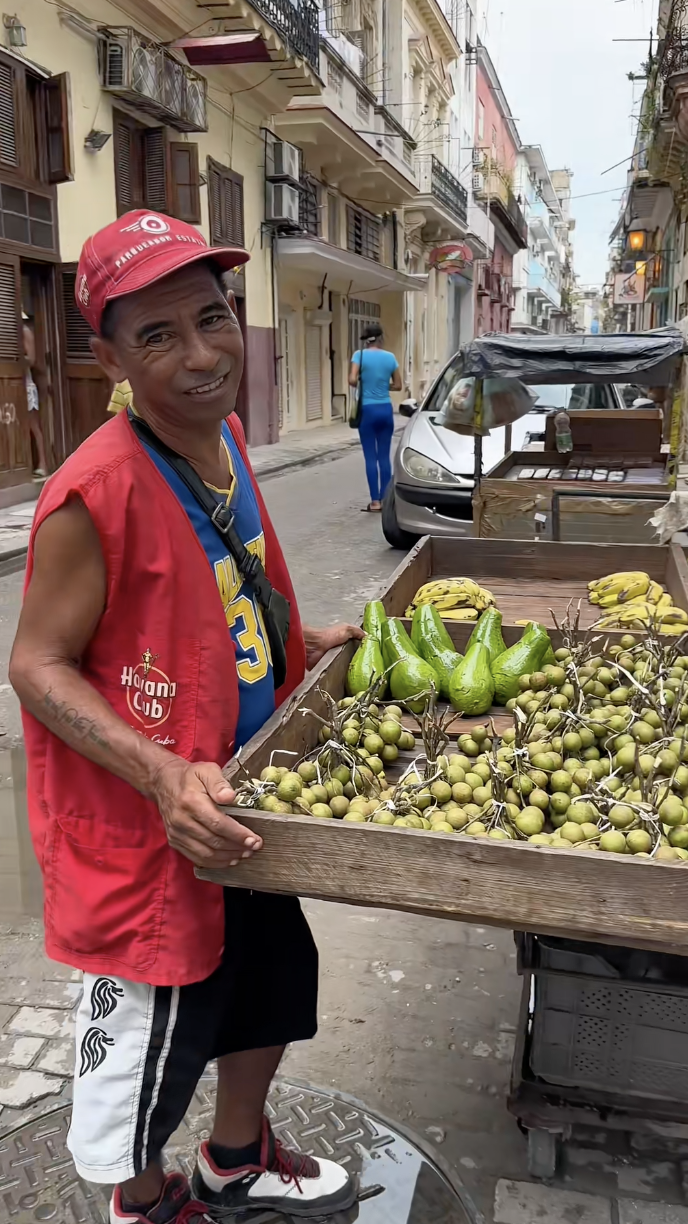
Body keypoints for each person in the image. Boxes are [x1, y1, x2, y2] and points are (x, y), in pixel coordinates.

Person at [10, 210, 364, 1224]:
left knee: (273, 983)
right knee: (150, 1046)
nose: (201, 355)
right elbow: (34, 664)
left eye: (210, 319)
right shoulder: (95, 493)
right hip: (152, 841)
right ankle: (142, 1201)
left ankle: (235, 1156)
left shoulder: (225, 440)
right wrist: (162, 772)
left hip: (243, 804)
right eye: (156, 335)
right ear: (108, 354)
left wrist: (308, 646)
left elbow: (219, 599)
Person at [348, 324, 401, 512]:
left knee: (370, 457)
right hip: (385, 409)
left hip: (367, 411)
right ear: (380, 338)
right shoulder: (390, 357)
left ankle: (375, 502)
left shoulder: (359, 356)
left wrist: (365, 381)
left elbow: (352, 380)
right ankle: (386, 500)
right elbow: (398, 385)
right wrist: (382, 386)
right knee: (384, 457)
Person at [22, 314, 48, 477]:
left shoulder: (25, 332)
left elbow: (31, 359)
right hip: (15, 384)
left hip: (26, 383)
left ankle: (43, 464)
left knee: (33, 425)